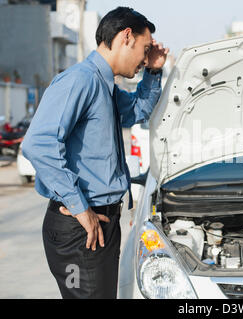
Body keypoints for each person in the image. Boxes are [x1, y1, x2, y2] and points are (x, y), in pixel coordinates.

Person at [22, 7, 169, 299]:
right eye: (144, 48)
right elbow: (38, 143)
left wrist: (153, 71)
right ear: (126, 37)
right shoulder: (81, 80)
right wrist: (80, 207)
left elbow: (139, 110)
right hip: (82, 229)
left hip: (99, 223)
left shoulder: (106, 86)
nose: (144, 57)